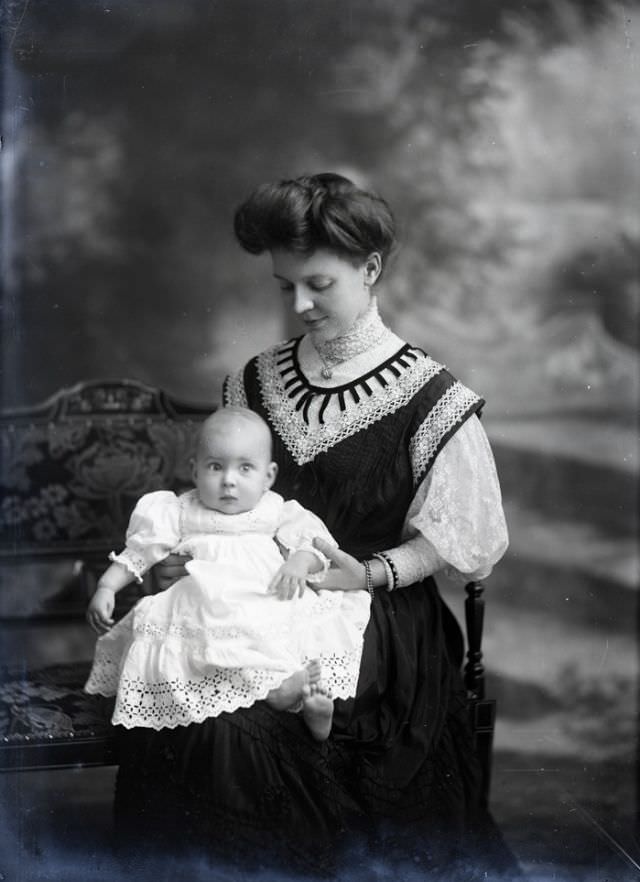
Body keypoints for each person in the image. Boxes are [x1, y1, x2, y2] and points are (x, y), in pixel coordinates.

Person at [113, 172, 518, 880]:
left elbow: (464, 545)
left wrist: (369, 571)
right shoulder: (250, 384)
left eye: (318, 285)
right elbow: (214, 508)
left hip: (376, 624)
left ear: (369, 269)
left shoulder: (433, 398)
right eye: (284, 286)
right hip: (247, 604)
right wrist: (186, 561)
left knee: (243, 728)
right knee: (190, 699)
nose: (298, 304)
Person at [84, 407, 370, 742]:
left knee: (274, 633)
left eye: (245, 468)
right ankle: (280, 691)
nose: (228, 480)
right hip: (205, 604)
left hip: (264, 595)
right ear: (194, 471)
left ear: (268, 475)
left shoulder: (275, 508)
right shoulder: (178, 510)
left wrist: (299, 563)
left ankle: (300, 700)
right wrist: (107, 586)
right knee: (208, 649)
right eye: (215, 467)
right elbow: (141, 551)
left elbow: (312, 541)